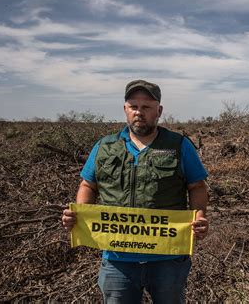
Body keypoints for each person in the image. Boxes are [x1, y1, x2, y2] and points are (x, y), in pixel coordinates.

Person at [62, 79, 209, 304]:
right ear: (125, 110)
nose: (139, 112)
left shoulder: (178, 145)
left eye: (146, 107)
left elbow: (197, 186)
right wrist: (80, 215)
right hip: (117, 260)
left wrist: (199, 215)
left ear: (158, 111)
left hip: (168, 258)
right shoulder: (104, 146)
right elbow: (87, 185)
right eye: (133, 106)